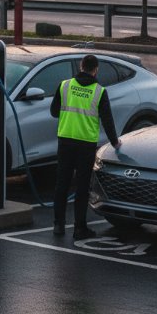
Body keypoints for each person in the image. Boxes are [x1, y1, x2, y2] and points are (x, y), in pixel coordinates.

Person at [50, 54, 121, 239]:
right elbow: (107, 120)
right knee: (82, 187)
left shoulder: (64, 85)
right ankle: (79, 228)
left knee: (62, 184)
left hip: (65, 141)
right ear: (95, 69)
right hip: (86, 145)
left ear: (81, 66)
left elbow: (53, 111)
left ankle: (58, 226)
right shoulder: (99, 91)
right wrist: (115, 142)